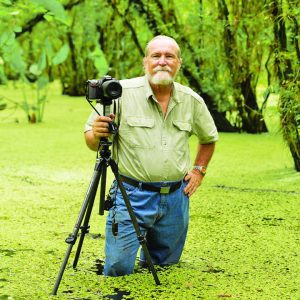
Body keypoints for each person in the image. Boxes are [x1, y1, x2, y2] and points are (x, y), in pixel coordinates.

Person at [84, 35, 218, 276]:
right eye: (156, 56)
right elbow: (92, 142)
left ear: (179, 63)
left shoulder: (192, 100)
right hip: (131, 196)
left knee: (165, 270)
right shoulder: (119, 94)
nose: (162, 61)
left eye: (169, 56)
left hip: (176, 200)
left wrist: (199, 170)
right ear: (145, 62)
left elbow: (208, 139)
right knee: (118, 269)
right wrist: (96, 133)